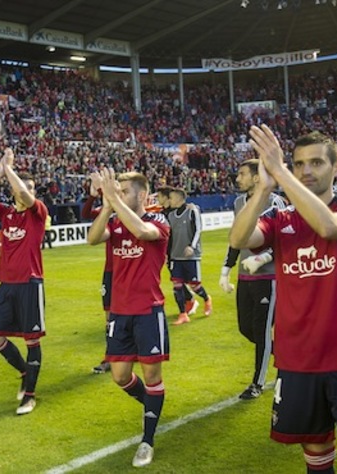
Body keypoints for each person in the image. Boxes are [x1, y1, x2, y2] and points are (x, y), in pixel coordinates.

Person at [229, 126, 337, 473]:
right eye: (298, 164)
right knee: (316, 455)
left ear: (335, 168)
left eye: (317, 163)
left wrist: (280, 173)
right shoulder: (282, 219)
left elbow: (329, 227)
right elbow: (240, 238)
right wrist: (264, 188)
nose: (306, 171)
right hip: (298, 359)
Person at [87, 169, 170, 468]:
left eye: (124, 191)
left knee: (152, 377)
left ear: (143, 195)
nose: (119, 194)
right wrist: (109, 205)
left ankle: (147, 439)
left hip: (148, 310)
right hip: (119, 313)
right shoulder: (115, 220)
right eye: (117, 190)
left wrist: (112, 201)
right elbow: (92, 238)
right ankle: (152, 405)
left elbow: (143, 232)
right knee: (121, 376)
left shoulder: (158, 221)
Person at [0, 148, 48, 415]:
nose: (27, 191)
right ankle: (26, 372)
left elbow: (26, 196)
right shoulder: (5, 212)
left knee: (31, 341)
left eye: (30, 188)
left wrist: (10, 170)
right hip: (6, 283)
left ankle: (29, 395)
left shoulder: (37, 212)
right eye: (22, 186)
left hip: (30, 283)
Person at [219, 159, 286, 400]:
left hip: (269, 277)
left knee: (261, 330)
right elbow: (236, 238)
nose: (238, 178)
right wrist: (226, 269)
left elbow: (287, 240)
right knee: (245, 328)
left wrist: (263, 258)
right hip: (245, 277)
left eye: (242, 174)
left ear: (257, 178)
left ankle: (257, 383)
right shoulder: (239, 203)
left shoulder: (275, 202)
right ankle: (286, 356)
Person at [81, 172, 112, 374]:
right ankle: (110, 356)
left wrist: (101, 189)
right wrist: (92, 195)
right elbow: (85, 214)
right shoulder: (107, 212)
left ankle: (132, 351)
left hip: (132, 270)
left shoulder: (127, 211)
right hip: (111, 271)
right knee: (110, 317)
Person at [166, 188, 212, 325]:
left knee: (194, 286)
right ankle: (183, 314)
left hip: (191, 256)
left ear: (180, 198)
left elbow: (198, 229)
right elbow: (170, 236)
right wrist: (167, 255)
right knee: (177, 285)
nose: (170, 201)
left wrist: (192, 246)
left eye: (172, 198)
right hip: (176, 256)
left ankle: (206, 299)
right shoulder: (171, 215)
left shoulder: (192, 210)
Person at [157, 186, 198, 316]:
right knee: (177, 278)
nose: (158, 199)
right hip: (168, 249)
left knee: (180, 278)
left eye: (160, 196)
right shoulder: (164, 211)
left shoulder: (175, 211)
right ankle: (188, 300)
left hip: (175, 250)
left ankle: (191, 300)